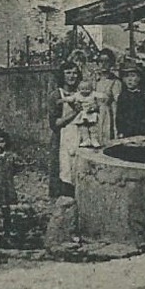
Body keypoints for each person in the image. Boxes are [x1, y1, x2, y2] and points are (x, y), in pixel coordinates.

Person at [48, 61, 83, 198]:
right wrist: (74, 113)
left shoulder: (81, 93)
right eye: (68, 72)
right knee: (63, 172)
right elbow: (55, 123)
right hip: (62, 139)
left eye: (75, 72)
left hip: (79, 136)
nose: (72, 76)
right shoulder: (56, 95)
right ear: (62, 75)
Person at [115, 58, 145, 138]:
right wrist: (120, 131)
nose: (129, 79)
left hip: (143, 131)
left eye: (133, 76)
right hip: (127, 132)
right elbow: (120, 116)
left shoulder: (144, 96)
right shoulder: (122, 97)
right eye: (126, 76)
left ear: (139, 78)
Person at [93, 48, 121, 144]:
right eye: (101, 61)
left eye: (107, 61)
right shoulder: (94, 80)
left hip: (108, 115)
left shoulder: (115, 81)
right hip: (94, 116)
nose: (103, 64)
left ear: (111, 63)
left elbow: (118, 102)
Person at [71, 78, 101, 148]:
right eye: (82, 89)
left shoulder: (92, 95)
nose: (85, 91)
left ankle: (94, 140)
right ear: (79, 89)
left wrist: (94, 106)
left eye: (87, 89)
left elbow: (100, 96)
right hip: (83, 114)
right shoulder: (78, 95)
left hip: (91, 113)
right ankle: (86, 139)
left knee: (93, 127)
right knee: (83, 127)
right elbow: (72, 99)